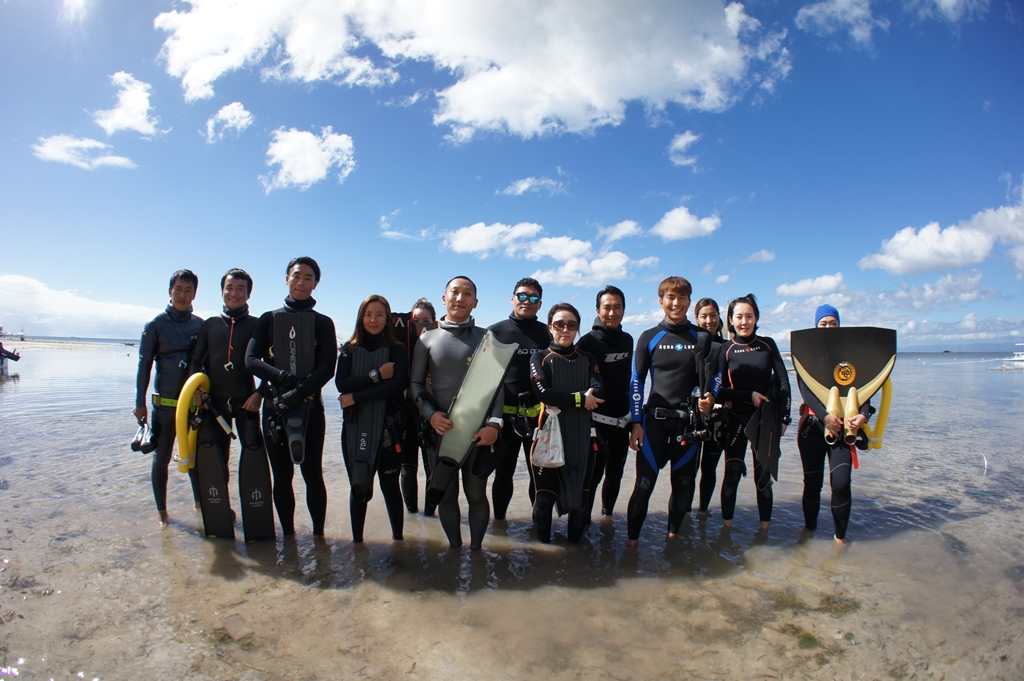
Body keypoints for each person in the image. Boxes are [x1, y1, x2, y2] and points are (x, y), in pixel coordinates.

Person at [245, 257, 337, 545]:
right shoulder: (268, 319)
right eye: (296, 276)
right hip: (274, 409)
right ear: (286, 278)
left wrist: (295, 395)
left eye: (308, 278)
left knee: (312, 474)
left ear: (316, 284)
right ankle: (288, 538)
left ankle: (319, 538)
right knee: (282, 477)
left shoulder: (323, 323)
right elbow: (251, 360)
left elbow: (328, 368)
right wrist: (287, 380)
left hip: (311, 409)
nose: (301, 282)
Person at [409, 276, 500, 550]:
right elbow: (415, 385)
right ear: (444, 298)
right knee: (446, 497)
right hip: (441, 432)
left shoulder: (486, 338)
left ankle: (476, 553)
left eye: (467, 293)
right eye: (455, 292)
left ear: (475, 302)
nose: (460, 298)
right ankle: (455, 551)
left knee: (477, 495)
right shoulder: (427, 339)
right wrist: (431, 415)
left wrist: (494, 425)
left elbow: (497, 386)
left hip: (476, 433)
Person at [627, 277, 715, 546]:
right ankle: (631, 545)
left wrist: (710, 398)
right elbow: (636, 381)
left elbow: (714, 377)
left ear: (689, 301)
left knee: (683, 485)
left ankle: (673, 542)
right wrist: (636, 422)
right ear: (661, 301)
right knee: (643, 484)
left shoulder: (702, 337)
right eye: (670, 298)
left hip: (687, 425)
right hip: (653, 422)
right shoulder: (649, 337)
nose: (676, 303)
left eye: (682, 298)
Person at [714, 293, 790, 532]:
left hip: (765, 421)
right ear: (730, 320)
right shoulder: (726, 349)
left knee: (763, 478)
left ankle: (764, 533)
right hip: (736, 419)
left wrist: (785, 417)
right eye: (739, 317)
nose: (744, 321)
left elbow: (784, 382)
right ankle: (726, 532)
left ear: (756, 318)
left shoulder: (767, 345)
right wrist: (749, 395)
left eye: (749, 316)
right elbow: (718, 390)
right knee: (732, 474)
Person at [336, 294, 408, 542]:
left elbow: (397, 385)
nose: (373, 320)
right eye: (368, 314)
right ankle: (357, 543)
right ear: (361, 318)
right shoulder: (348, 350)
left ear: (387, 318)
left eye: (379, 314)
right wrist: (377, 374)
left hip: (388, 428)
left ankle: (398, 541)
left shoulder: (397, 349)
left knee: (390, 486)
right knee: (359, 485)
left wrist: (356, 397)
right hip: (355, 426)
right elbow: (341, 384)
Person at [529, 303, 604, 543]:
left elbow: (598, 391)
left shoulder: (587, 358)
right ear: (550, 327)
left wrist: (566, 399)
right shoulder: (540, 357)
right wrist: (581, 399)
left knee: (580, 499)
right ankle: (542, 551)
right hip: (550, 435)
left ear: (577, 328)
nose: (565, 329)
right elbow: (544, 393)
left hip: (583, 436)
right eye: (559, 324)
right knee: (544, 498)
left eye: (572, 325)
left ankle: (575, 553)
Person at [797, 304, 871, 545]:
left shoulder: (852, 357)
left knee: (841, 484)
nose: (828, 327)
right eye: (823, 324)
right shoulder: (806, 355)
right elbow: (806, 392)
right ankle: (809, 535)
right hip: (813, 426)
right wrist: (825, 417)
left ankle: (840, 539)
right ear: (815, 327)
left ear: (839, 326)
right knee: (813, 484)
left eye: (833, 323)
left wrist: (863, 416)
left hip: (843, 428)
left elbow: (864, 392)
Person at [134, 269, 203, 524]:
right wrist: (139, 403)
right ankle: (162, 514)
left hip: (192, 407)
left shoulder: (201, 326)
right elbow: (144, 366)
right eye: (178, 290)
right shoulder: (155, 325)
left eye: (188, 290)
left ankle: (200, 506)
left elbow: (207, 364)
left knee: (194, 459)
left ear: (195, 294)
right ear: (170, 291)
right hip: (164, 406)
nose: (182, 295)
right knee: (161, 459)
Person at [187, 269, 263, 500]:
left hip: (247, 402)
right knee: (217, 458)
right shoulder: (210, 325)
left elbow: (271, 364)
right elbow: (195, 362)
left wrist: (260, 393)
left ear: (249, 294)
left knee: (253, 456)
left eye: (241, 289)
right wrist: (197, 393)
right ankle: (221, 507)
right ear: (222, 291)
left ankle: (254, 506)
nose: (234, 293)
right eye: (229, 288)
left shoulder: (257, 325)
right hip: (215, 404)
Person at [488, 277, 550, 520]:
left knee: (539, 475)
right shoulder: (495, 332)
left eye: (533, 298)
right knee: (504, 473)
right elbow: (483, 378)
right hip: (505, 418)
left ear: (540, 304)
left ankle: (538, 527)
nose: (527, 301)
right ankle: (499, 526)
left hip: (540, 418)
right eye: (522, 296)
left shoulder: (547, 333)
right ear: (512, 299)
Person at [576, 285, 633, 517]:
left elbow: (630, 381)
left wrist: (634, 419)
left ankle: (607, 521)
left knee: (615, 475)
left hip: (622, 422)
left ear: (624, 310)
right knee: (592, 478)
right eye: (606, 307)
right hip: (596, 424)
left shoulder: (628, 340)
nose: (612, 313)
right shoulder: (587, 343)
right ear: (598, 310)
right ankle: (584, 525)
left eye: (617, 307)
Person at [395, 298, 438, 515]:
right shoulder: (399, 344)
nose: (420, 324)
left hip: (431, 411)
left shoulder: (441, 343)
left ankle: (430, 516)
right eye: (416, 320)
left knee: (432, 468)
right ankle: (412, 517)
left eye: (425, 320)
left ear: (434, 321)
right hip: (405, 412)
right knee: (407, 469)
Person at [692, 298, 727, 514]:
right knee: (690, 468)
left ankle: (703, 512)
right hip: (693, 416)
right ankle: (685, 512)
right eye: (703, 316)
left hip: (718, 417)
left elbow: (729, 380)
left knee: (709, 468)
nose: (709, 320)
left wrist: (716, 397)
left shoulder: (726, 346)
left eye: (713, 315)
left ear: (719, 318)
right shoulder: (692, 344)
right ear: (696, 318)